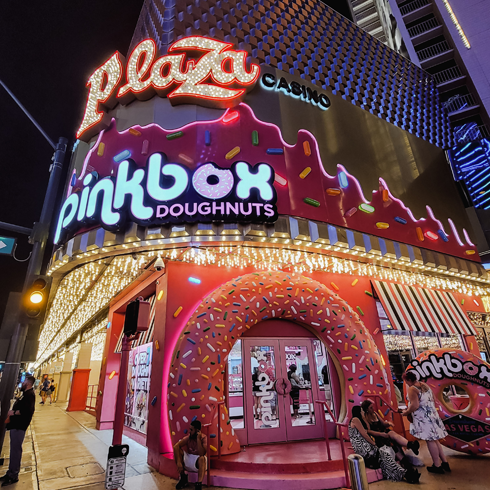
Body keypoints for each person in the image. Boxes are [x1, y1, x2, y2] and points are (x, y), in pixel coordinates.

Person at [349, 406, 420, 484]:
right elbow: (365, 434)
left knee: (386, 457)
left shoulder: (364, 418)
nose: (362, 412)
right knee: (385, 454)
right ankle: (405, 473)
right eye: (362, 410)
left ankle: (404, 473)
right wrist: (373, 444)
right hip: (365, 449)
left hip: (366, 447)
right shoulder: (356, 419)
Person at [402, 371, 449, 474]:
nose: (406, 383)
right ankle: (445, 463)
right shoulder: (424, 385)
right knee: (435, 440)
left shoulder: (412, 389)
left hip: (423, 418)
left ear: (408, 380)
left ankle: (437, 466)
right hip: (432, 414)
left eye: (406, 381)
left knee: (430, 440)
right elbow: (433, 398)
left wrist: (406, 412)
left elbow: (415, 405)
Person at [0, 375, 36, 487]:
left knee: (16, 451)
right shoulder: (25, 394)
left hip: (19, 426)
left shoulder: (30, 395)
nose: (22, 382)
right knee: (13, 450)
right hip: (16, 425)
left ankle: (13, 475)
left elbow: (27, 411)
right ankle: (10, 472)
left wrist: (14, 413)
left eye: (24, 380)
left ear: (28, 383)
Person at [173, 420, 207, 490]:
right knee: (178, 450)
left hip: (199, 460)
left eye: (191, 430)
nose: (189, 431)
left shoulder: (204, 438)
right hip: (189, 458)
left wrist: (198, 439)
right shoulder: (189, 437)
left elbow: (201, 454)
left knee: (202, 458)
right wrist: (179, 462)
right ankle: (183, 478)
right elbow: (176, 446)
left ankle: (199, 484)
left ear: (197, 430)